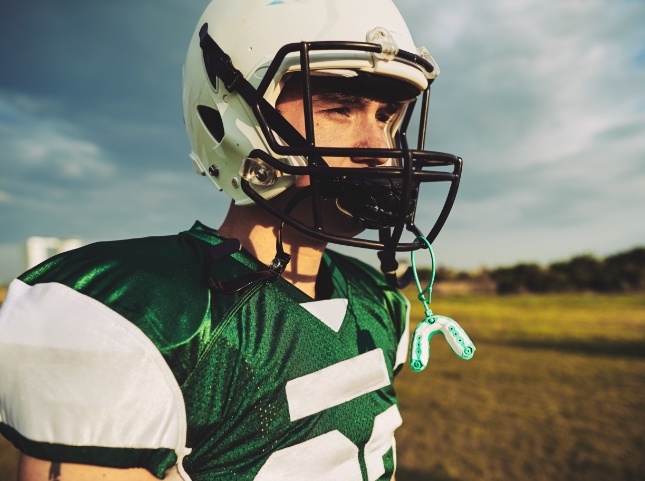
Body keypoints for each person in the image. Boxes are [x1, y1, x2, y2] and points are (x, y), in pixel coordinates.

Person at [0, 0, 462, 479]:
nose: (379, 149)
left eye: (387, 117)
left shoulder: (379, 301)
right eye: (340, 109)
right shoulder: (138, 314)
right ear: (231, 117)